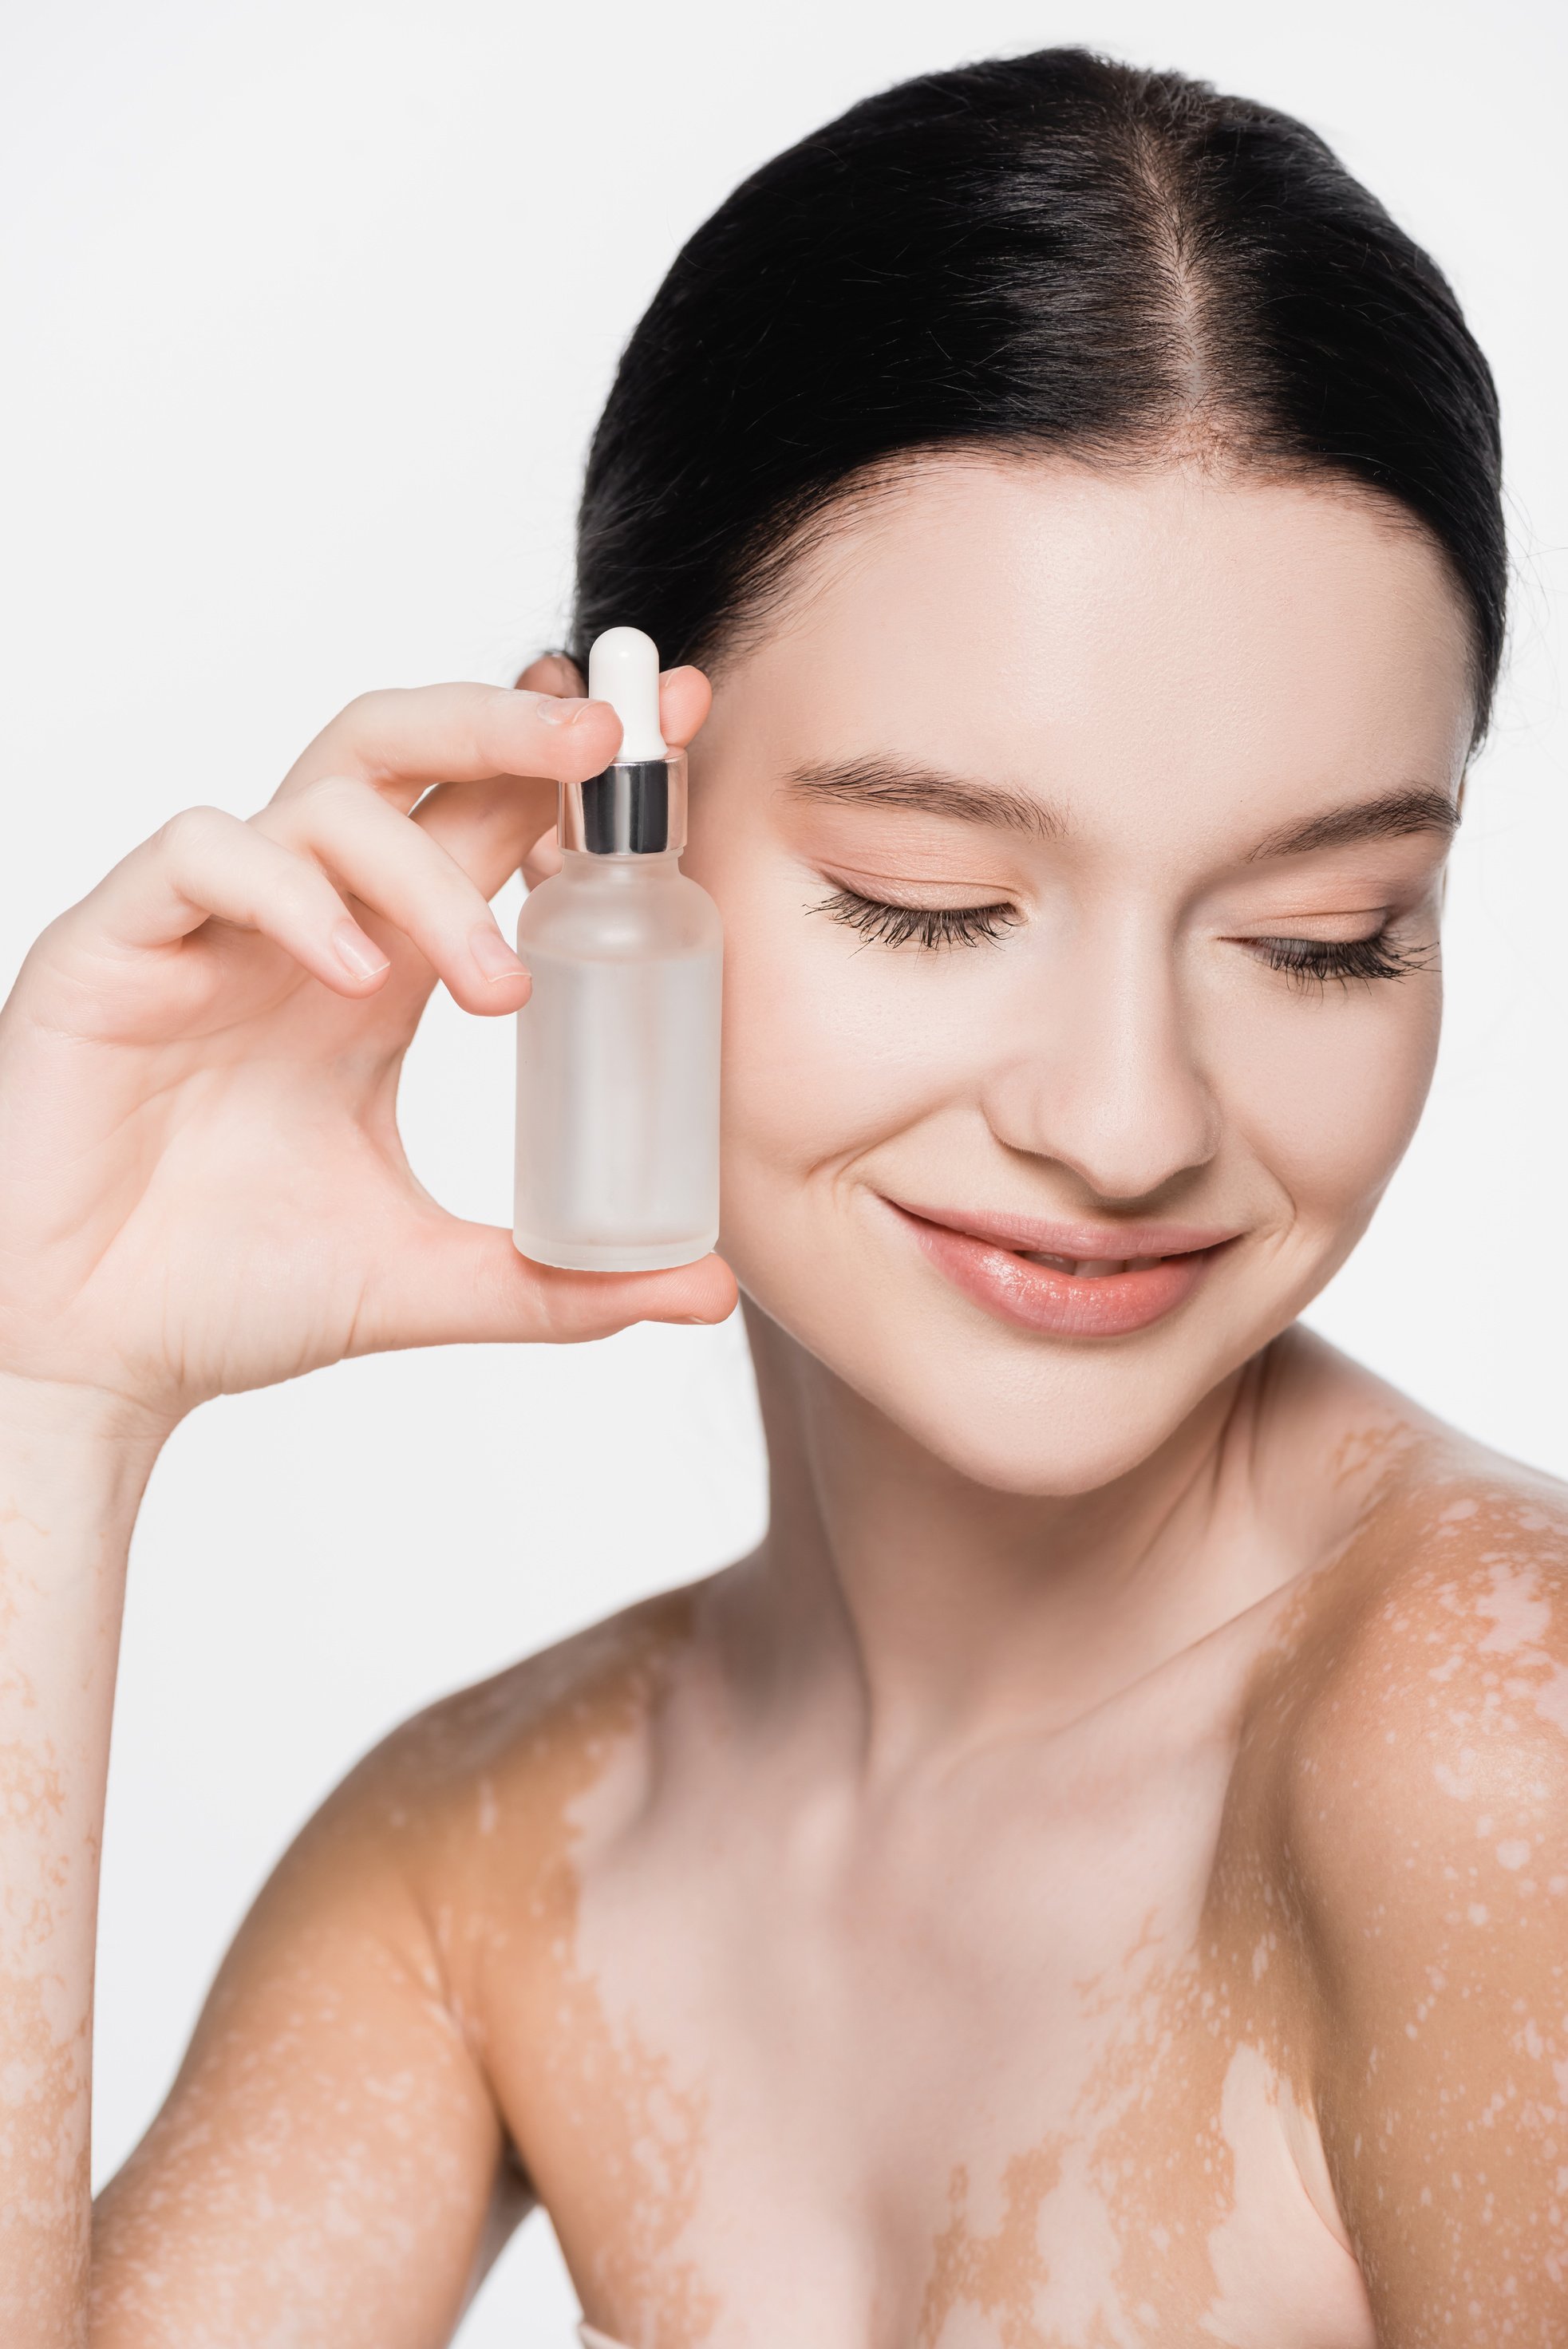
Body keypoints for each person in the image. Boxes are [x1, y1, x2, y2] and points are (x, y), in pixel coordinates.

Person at [1, 44, 1561, 2349]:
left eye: (1321, 936)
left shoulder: (1487, 1749)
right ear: (587, 828)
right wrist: (48, 1378)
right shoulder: (490, 1868)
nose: (1128, 1122)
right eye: (932, 902)